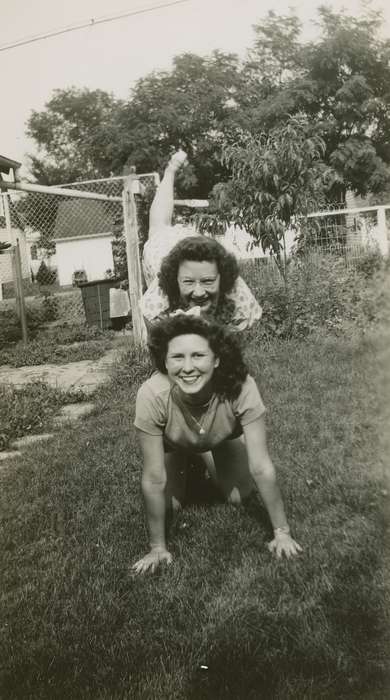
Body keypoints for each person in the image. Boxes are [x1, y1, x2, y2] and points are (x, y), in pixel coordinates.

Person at [132, 314, 302, 574]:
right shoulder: (151, 395)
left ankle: (207, 452)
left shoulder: (241, 386)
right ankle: (188, 456)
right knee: (170, 507)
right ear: (164, 362)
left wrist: (282, 532)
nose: (188, 367)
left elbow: (261, 466)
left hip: (222, 439)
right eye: (177, 357)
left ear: (217, 358)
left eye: (198, 355)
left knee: (239, 497)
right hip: (174, 445)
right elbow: (154, 478)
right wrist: (157, 547)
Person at [140, 150, 262, 331]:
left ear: (223, 278)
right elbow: (156, 347)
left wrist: (217, 332)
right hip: (161, 247)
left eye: (207, 281)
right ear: (175, 280)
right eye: (188, 282)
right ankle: (171, 170)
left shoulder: (238, 296)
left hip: (193, 243)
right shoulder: (159, 298)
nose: (199, 292)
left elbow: (235, 346)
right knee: (158, 226)